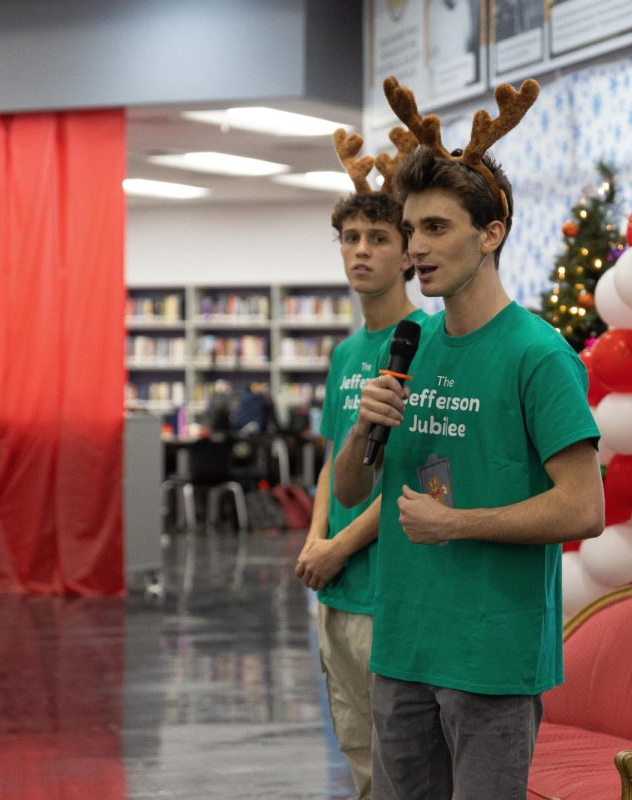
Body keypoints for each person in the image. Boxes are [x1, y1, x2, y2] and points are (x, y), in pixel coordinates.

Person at [333, 78, 604, 799]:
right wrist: (365, 426)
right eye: (411, 228)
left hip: (490, 654)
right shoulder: (408, 342)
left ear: (491, 234)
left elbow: (583, 508)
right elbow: (350, 488)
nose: (414, 249)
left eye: (437, 228)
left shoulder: (538, 356)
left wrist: (458, 523)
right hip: (402, 642)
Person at [295, 130, 426, 800]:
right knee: (357, 755)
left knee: (398, 763)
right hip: (335, 589)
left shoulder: (426, 343)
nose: (362, 252)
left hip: (385, 589)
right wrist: (318, 540)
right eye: (351, 239)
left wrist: (340, 545)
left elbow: (418, 478)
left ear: (408, 253)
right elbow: (330, 462)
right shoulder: (348, 354)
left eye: (378, 239)